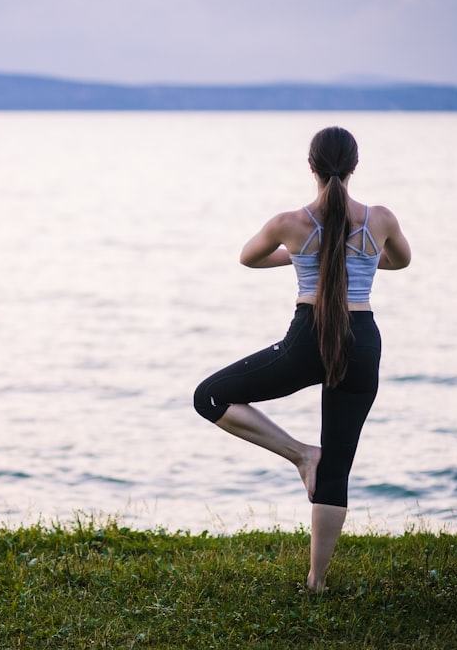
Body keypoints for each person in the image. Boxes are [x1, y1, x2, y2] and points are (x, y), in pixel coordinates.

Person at [192, 126, 411, 592]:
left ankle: (300, 455)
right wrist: (364, 262)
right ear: (354, 167)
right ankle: (317, 582)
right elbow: (401, 261)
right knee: (338, 467)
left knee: (210, 397)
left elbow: (249, 258)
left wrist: (298, 257)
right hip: (363, 340)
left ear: (311, 166)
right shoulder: (381, 219)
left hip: (307, 338)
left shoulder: (289, 224)